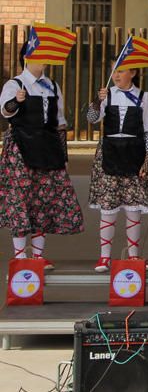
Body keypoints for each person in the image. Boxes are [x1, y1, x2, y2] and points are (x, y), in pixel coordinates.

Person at [0, 45, 82, 268]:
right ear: (27, 58)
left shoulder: (52, 86)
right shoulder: (15, 84)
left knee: (43, 199)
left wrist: (63, 156)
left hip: (47, 147)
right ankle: (19, 256)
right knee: (21, 200)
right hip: (21, 148)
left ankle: (38, 255)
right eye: (40, 55)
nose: (45, 59)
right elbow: (5, 111)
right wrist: (16, 100)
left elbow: (60, 123)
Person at [87, 66, 148, 272]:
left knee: (133, 208)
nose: (117, 75)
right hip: (110, 153)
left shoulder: (143, 97)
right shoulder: (107, 94)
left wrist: (147, 160)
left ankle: (133, 255)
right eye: (115, 71)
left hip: (134, 154)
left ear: (134, 73)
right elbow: (92, 118)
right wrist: (97, 100)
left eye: (122, 71)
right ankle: (104, 257)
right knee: (108, 208)